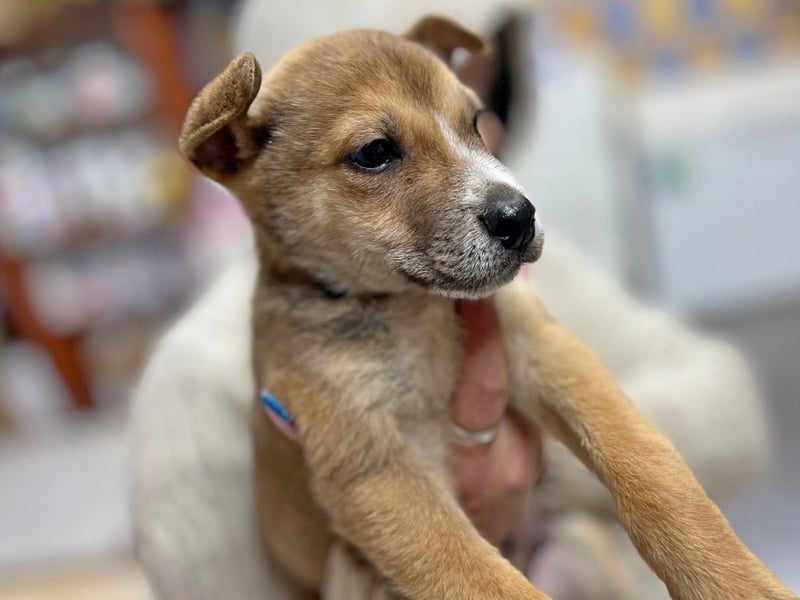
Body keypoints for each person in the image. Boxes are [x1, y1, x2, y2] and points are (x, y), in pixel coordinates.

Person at [130, 2, 769, 598]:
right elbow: (379, 495)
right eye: (378, 155)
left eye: (468, 118)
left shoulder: (501, 267)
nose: (494, 185)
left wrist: (534, 463)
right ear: (233, 149)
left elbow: (716, 409)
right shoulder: (195, 383)